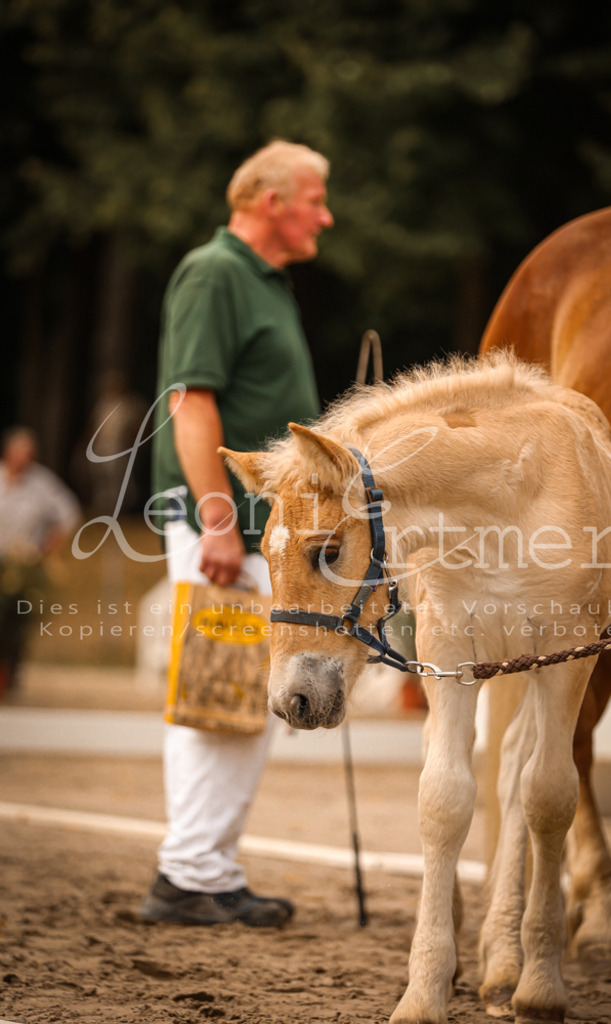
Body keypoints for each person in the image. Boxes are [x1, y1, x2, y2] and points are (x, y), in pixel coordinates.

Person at [141, 140, 334, 927]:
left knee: (246, 702)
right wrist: (217, 519)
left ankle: (205, 870)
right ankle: (187, 876)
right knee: (217, 694)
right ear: (270, 201)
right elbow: (191, 403)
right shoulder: (215, 272)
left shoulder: (266, 283)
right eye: (316, 198)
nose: (327, 214)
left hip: (262, 535)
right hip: (222, 529)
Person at [0, 427, 81, 692]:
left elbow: (69, 513)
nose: (26, 459)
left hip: (23, 564)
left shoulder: (41, 482)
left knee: (16, 622)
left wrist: (49, 545)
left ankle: (9, 674)